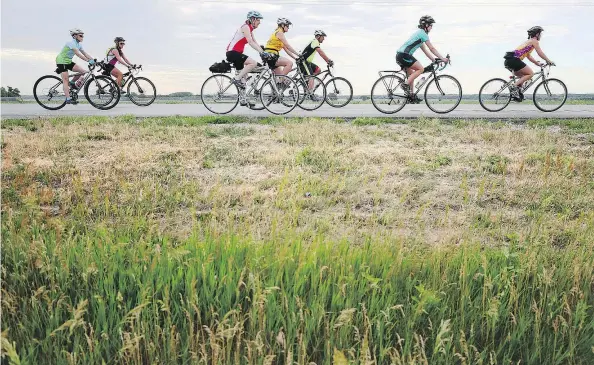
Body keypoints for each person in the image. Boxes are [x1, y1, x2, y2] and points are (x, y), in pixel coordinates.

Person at [395, 16, 447, 103]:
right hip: (404, 55)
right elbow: (432, 48)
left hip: (400, 55)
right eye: (431, 25)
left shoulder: (419, 35)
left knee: (411, 75)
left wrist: (434, 60)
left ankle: (411, 96)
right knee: (421, 69)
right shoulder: (423, 34)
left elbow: (426, 52)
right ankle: (405, 85)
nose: (431, 28)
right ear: (426, 25)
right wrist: (443, 58)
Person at [504, 26, 555, 101]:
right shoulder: (534, 41)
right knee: (530, 74)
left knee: (524, 77)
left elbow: (528, 56)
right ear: (537, 34)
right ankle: (513, 86)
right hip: (514, 60)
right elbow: (540, 53)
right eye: (540, 34)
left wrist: (537, 63)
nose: (540, 36)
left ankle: (517, 95)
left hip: (509, 60)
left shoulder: (529, 42)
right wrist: (548, 61)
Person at [226, 10, 268, 91]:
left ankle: (243, 100)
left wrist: (263, 51)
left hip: (236, 53)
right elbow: (250, 42)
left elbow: (255, 42)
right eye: (258, 20)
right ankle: (236, 79)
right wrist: (261, 52)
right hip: (233, 53)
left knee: (244, 81)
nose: (259, 22)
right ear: (253, 19)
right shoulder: (245, 27)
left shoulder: (250, 29)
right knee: (253, 63)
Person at [55, 28, 96, 104]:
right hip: (61, 61)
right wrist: (88, 61)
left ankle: (72, 83)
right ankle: (68, 98)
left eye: (83, 36)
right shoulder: (71, 43)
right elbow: (78, 54)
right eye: (80, 36)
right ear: (74, 36)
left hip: (68, 61)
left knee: (83, 71)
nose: (82, 37)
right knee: (65, 80)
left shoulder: (79, 44)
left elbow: (85, 53)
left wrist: (93, 60)